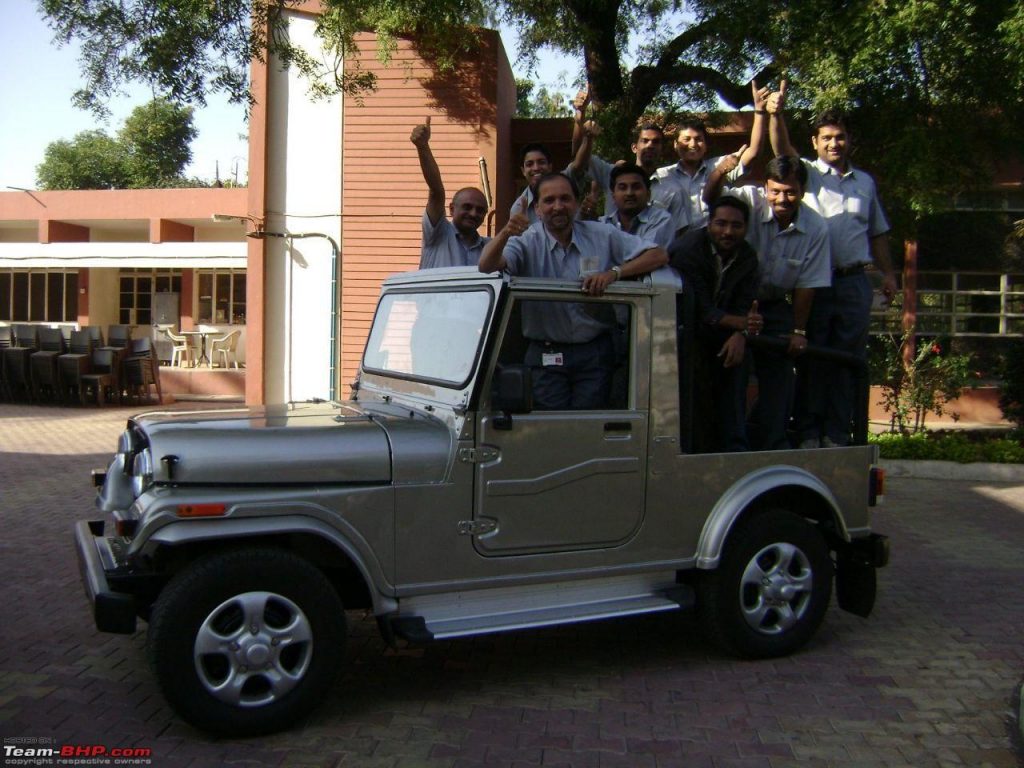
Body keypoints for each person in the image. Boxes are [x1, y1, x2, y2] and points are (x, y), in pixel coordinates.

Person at [767, 82, 897, 447]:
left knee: (847, 360)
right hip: (817, 283)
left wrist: (888, 274)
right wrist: (776, 114)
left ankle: (837, 433)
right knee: (813, 357)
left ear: (849, 140)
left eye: (839, 137)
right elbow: (781, 149)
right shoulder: (808, 174)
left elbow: (878, 233)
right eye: (826, 138)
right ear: (815, 142)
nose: (833, 144)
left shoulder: (865, 183)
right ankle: (808, 431)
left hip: (855, 282)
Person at [481, 172, 669, 409]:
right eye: (549, 201)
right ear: (537, 209)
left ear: (577, 204)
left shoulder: (602, 233)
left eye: (565, 199)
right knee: (551, 430)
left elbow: (659, 255)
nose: (558, 207)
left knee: (588, 430)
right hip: (545, 355)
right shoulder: (526, 240)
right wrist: (506, 232)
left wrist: (614, 273)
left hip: (595, 353)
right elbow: (485, 266)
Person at [704, 155, 831, 450]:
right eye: (775, 191)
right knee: (732, 369)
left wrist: (798, 331)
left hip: (774, 305)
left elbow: (807, 284)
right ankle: (733, 443)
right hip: (732, 300)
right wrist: (721, 171)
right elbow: (711, 203)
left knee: (780, 373)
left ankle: (774, 441)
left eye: (790, 192)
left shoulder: (816, 228)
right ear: (765, 188)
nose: (782, 199)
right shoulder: (747, 200)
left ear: (802, 190)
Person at [668, 196, 762, 452]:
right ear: (709, 223)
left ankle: (735, 452)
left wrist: (742, 332)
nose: (728, 232)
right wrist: (743, 323)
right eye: (721, 224)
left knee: (735, 374)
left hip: (723, 337)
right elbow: (700, 310)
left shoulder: (748, 257)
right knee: (695, 407)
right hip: (685, 337)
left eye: (736, 225)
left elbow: (746, 304)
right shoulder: (688, 250)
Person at [655, 81, 770, 233]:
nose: (693, 144)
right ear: (675, 144)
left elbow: (754, 152)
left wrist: (760, 112)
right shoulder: (662, 176)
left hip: (714, 243)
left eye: (698, 139)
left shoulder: (720, 165)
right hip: (678, 248)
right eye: (686, 139)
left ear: (706, 144)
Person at [410, 117, 490, 268]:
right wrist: (423, 147)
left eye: (480, 210)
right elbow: (436, 191)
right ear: (452, 209)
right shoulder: (437, 234)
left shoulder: (489, 248)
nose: (473, 213)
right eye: (467, 207)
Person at [598, 163, 676, 248]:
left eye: (636, 187)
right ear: (613, 196)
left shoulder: (661, 220)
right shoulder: (603, 224)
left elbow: (647, 256)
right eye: (623, 188)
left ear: (648, 194)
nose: (629, 193)